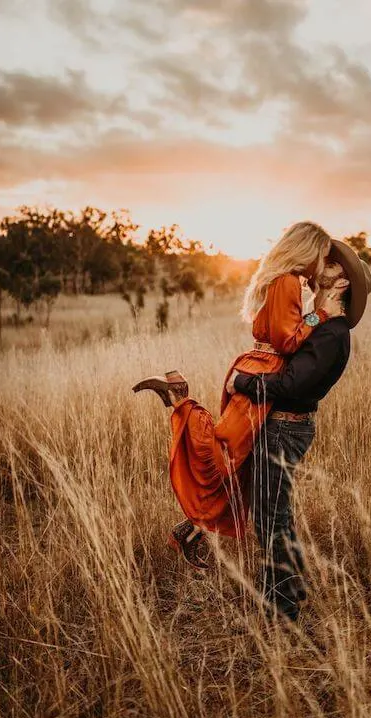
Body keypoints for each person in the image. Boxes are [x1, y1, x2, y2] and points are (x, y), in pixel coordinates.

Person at [133, 222, 340, 570]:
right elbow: (288, 340)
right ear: (308, 251)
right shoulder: (288, 281)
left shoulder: (283, 282)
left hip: (259, 366)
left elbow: (284, 329)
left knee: (239, 463)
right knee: (223, 452)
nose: (323, 261)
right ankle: (178, 396)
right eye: (322, 254)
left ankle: (192, 531)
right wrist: (322, 315)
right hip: (263, 372)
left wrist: (313, 313)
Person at [226, 243, 371, 622]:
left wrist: (243, 382)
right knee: (277, 514)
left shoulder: (332, 334)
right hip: (282, 427)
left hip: (285, 430)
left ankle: (281, 608)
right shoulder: (321, 325)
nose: (323, 265)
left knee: (270, 518)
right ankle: (290, 586)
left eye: (332, 264)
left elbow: (290, 385)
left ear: (340, 282)